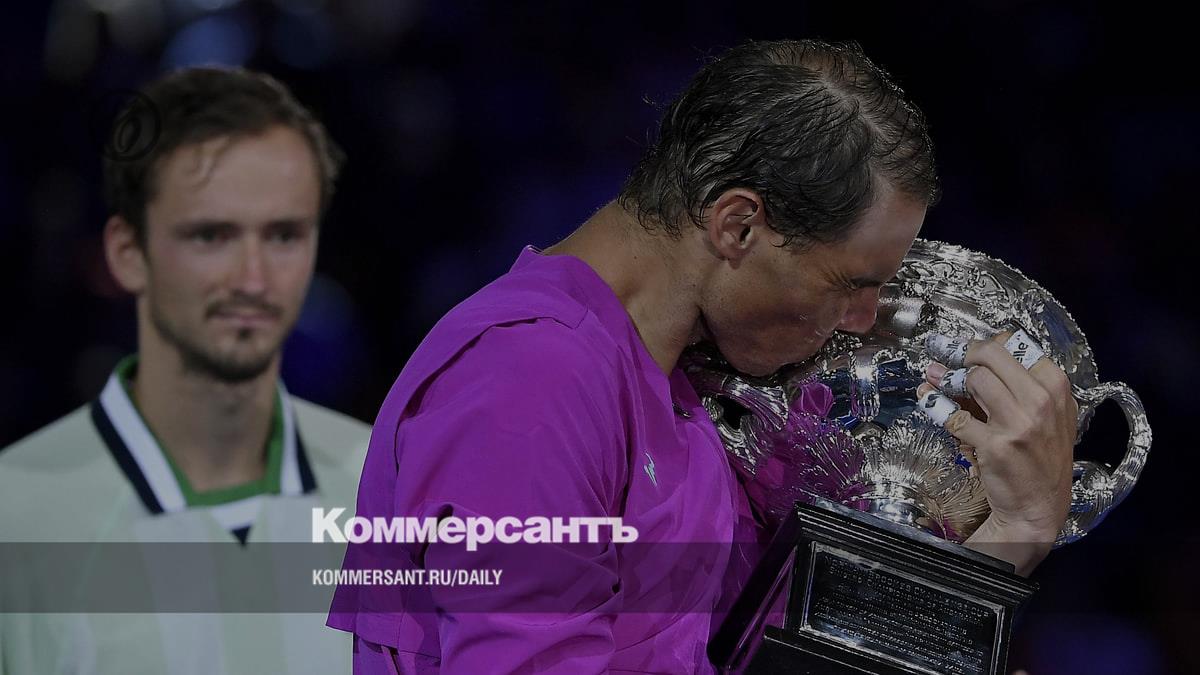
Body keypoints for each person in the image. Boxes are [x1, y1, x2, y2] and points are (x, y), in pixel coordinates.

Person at [329, 39, 1076, 674]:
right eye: (850, 283)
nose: (862, 319)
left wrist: (1010, 535)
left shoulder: (688, 392)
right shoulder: (532, 379)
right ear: (737, 226)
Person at [0, 67, 370, 674]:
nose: (253, 279)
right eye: (211, 236)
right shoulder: (15, 517)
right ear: (127, 253)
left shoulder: (388, 492)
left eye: (284, 235)